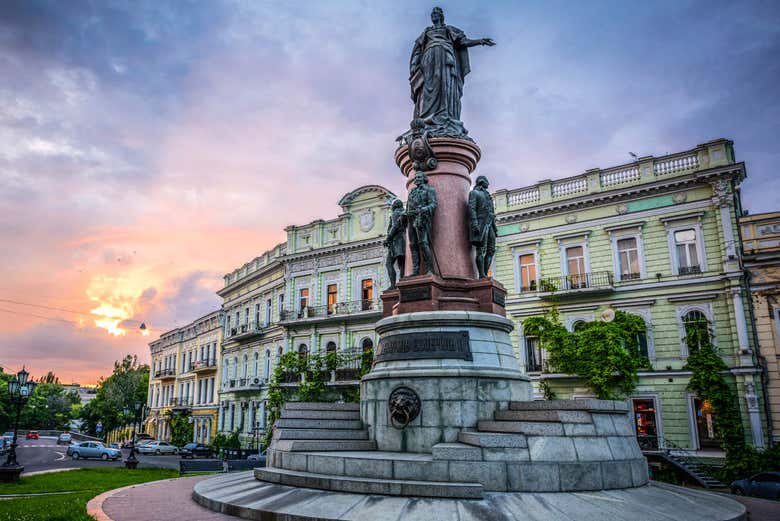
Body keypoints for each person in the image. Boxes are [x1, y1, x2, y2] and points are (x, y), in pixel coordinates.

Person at [409, 7, 495, 138]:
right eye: (432, 14)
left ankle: (445, 116)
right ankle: (428, 119)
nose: (433, 15)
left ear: (441, 16)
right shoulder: (426, 32)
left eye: (436, 13)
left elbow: (463, 42)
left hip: (445, 59)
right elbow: (417, 50)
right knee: (428, 89)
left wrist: (480, 41)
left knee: (445, 87)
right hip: (429, 60)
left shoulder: (448, 30)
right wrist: (414, 65)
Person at [406, 171, 438, 275]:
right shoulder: (412, 192)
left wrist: (424, 209)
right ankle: (415, 270)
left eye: (419, 177)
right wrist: (404, 214)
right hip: (411, 219)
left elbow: (433, 204)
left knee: (424, 243)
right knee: (413, 245)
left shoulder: (429, 190)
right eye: (416, 177)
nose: (417, 179)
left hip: (422, 218)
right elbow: (408, 206)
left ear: (424, 178)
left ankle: (430, 268)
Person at [468, 175, 497, 278]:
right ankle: (481, 275)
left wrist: (494, 226)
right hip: (481, 224)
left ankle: (484, 273)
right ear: (481, 182)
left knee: (491, 250)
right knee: (481, 250)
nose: (488, 184)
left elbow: (491, 212)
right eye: (487, 182)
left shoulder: (488, 195)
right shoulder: (474, 193)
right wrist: (475, 223)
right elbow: (471, 209)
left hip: (490, 225)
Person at [384, 200, 407, 289]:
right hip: (403, 240)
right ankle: (402, 282)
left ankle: (393, 285)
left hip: (396, 241)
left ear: (394, 206)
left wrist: (388, 238)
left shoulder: (396, 213)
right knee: (402, 264)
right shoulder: (403, 213)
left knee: (389, 263)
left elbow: (395, 226)